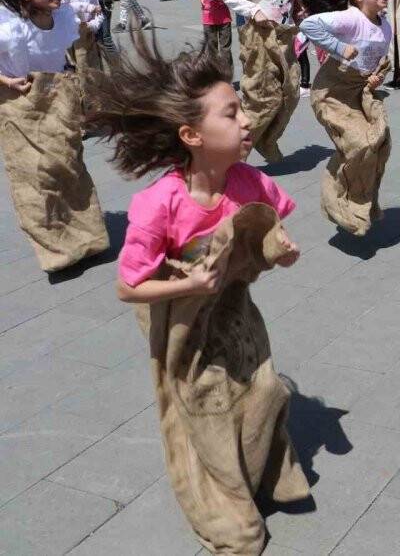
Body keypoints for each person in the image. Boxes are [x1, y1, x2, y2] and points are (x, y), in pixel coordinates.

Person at [84, 28, 307, 553]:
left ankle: (257, 476)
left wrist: (281, 248)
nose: (247, 119)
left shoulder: (250, 182)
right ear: (192, 135)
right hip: (177, 317)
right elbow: (127, 286)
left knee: (264, 391)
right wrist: (187, 282)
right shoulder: (158, 204)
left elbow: (273, 226)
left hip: (234, 312)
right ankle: (225, 509)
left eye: (242, 108)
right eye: (230, 113)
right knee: (205, 413)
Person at [0, 0, 110, 271]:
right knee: (37, 177)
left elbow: (81, 13)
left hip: (57, 96)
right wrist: (5, 81)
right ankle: (58, 250)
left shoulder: (61, 12)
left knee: (70, 168)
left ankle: (89, 238)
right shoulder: (7, 26)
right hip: (18, 101)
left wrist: (91, 12)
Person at [300, 0, 393, 235]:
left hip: (360, 92)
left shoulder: (385, 25)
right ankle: (339, 204)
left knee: (380, 144)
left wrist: (377, 76)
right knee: (358, 145)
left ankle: (363, 204)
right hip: (332, 93)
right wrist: (339, 48)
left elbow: (378, 59)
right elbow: (309, 25)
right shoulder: (350, 18)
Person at [222, 0, 304, 162]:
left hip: (285, 39)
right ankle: (236, 153)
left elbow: (288, 3)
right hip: (260, 39)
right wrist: (253, 10)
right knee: (263, 99)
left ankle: (266, 140)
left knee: (292, 93)